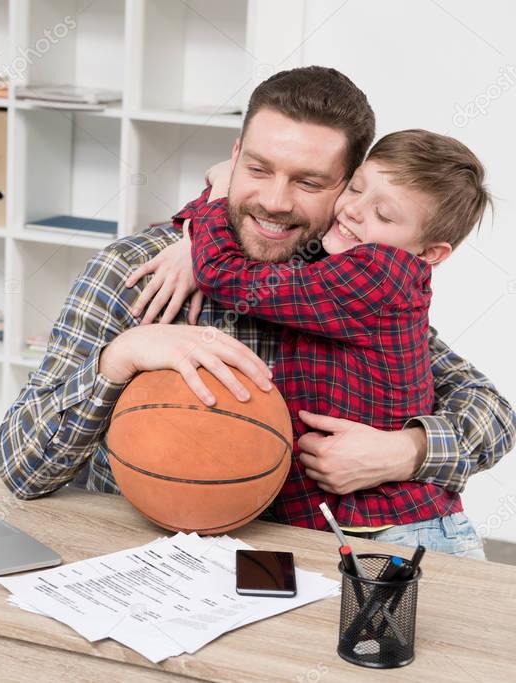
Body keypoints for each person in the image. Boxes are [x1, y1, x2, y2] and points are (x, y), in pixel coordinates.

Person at [0, 66, 516, 559]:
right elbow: (22, 468)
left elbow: (492, 412)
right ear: (234, 157)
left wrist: (408, 450)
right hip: (146, 559)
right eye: (258, 169)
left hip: (308, 560)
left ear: (344, 187)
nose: (274, 200)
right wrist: (121, 356)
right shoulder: (136, 270)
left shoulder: (339, 281)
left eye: (309, 183)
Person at [162, 128, 491, 540]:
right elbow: (259, 233)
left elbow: (227, 276)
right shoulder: (327, 255)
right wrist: (187, 236)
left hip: (401, 529)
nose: (354, 211)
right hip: (342, 528)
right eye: (355, 188)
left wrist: (214, 198)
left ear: (429, 253)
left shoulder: (377, 274)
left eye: (384, 215)